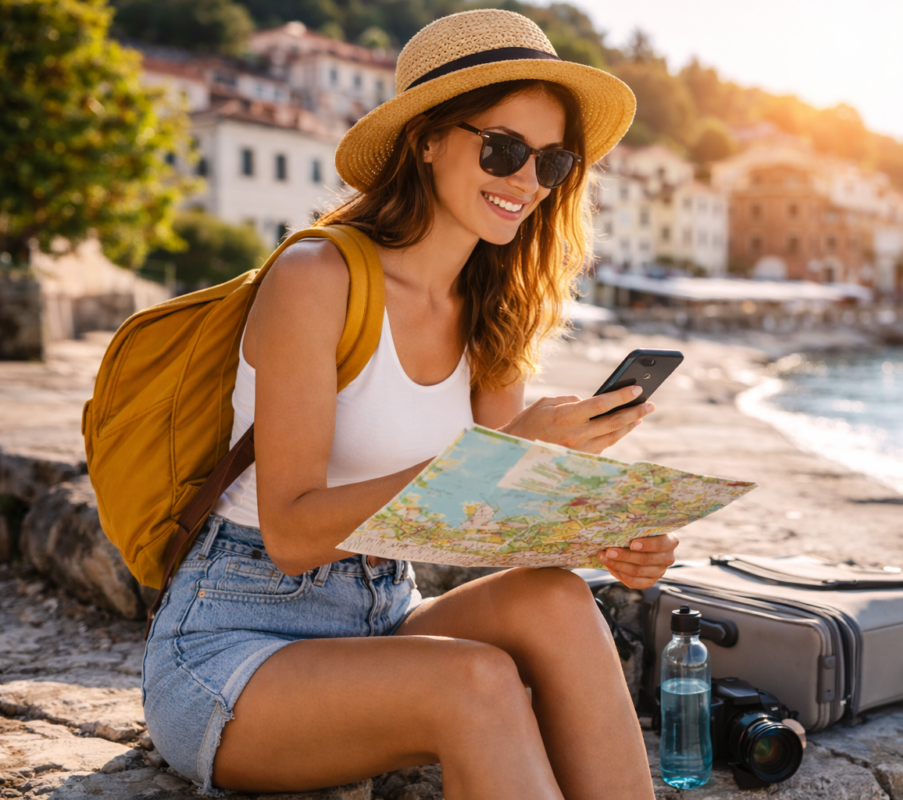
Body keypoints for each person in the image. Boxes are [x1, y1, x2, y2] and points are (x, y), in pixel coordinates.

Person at [141, 9, 672, 800]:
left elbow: (486, 522)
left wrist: (598, 531)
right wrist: (499, 454)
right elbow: (290, 532)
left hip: (387, 617)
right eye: (502, 148)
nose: (526, 181)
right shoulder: (318, 279)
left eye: (552, 161)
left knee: (558, 598)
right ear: (426, 139)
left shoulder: (495, 306)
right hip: (237, 639)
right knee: (475, 681)